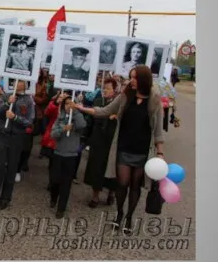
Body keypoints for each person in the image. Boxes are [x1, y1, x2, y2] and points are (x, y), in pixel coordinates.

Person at [75, 65, 165, 234]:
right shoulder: (125, 97)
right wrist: (82, 108)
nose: (131, 80)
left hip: (142, 151)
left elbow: (159, 131)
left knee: (135, 186)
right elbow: (105, 111)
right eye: (131, 77)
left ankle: (129, 217)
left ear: (144, 80)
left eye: (135, 77)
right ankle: (119, 213)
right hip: (123, 148)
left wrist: (160, 153)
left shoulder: (154, 100)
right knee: (122, 183)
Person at [0, 79, 34, 210]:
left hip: (17, 138)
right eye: (15, 81)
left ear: (26, 84)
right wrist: (7, 103)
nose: (17, 83)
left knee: (11, 168)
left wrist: (15, 118)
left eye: (21, 81)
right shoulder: (6, 96)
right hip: (3, 135)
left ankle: (5, 198)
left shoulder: (28, 100)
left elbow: (29, 121)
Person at [49, 94, 87, 218]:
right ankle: (54, 197)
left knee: (66, 183)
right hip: (58, 153)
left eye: (71, 103)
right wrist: (63, 129)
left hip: (71, 155)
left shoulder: (78, 117)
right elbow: (53, 134)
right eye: (66, 103)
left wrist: (75, 111)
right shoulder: (60, 118)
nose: (68, 106)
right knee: (55, 180)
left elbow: (82, 125)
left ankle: (61, 208)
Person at [83, 78, 119, 207]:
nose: (105, 91)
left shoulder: (118, 103)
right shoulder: (98, 101)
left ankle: (111, 193)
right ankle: (95, 196)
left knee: (111, 169)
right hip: (98, 139)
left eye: (108, 88)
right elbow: (91, 119)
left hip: (112, 140)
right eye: (104, 88)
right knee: (96, 168)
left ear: (115, 91)